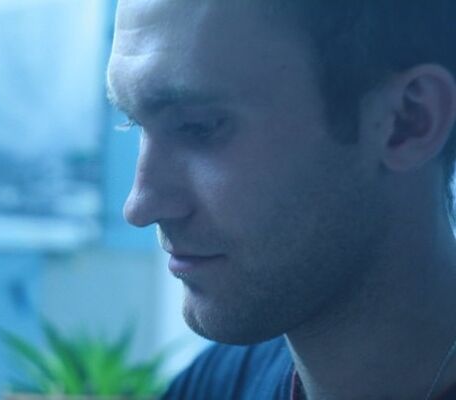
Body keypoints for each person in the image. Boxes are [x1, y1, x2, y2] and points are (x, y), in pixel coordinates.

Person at [106, 1, 456, 399]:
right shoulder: (211, 386)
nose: (139, 206)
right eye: (133, 123)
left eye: (199, 127)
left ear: (408, 121)